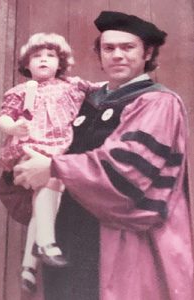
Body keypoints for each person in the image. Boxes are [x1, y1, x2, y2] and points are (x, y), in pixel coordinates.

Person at [13, 11, 194, 300]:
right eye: (109, 48)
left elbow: (129, 170)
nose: (117, 55)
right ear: (99, 54)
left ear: (147, 52)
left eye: (127, 47)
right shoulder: (85, 102)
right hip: (69, 236)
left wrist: (54, 167)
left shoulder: (158, 102)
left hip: (126, 245)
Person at [0, 32, 102, 293]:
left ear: (60, 62)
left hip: (59, 147)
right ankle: (45, 242)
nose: (43, 60)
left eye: (50, 55)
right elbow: (4, 118)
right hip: (31, 145)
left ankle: (29, 265)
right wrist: (14, 127)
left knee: (47, 200)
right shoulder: (21, 91)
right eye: (37, 56)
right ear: (27, 64)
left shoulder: (72, 86)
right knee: (49, 187)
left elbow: (102, 88)